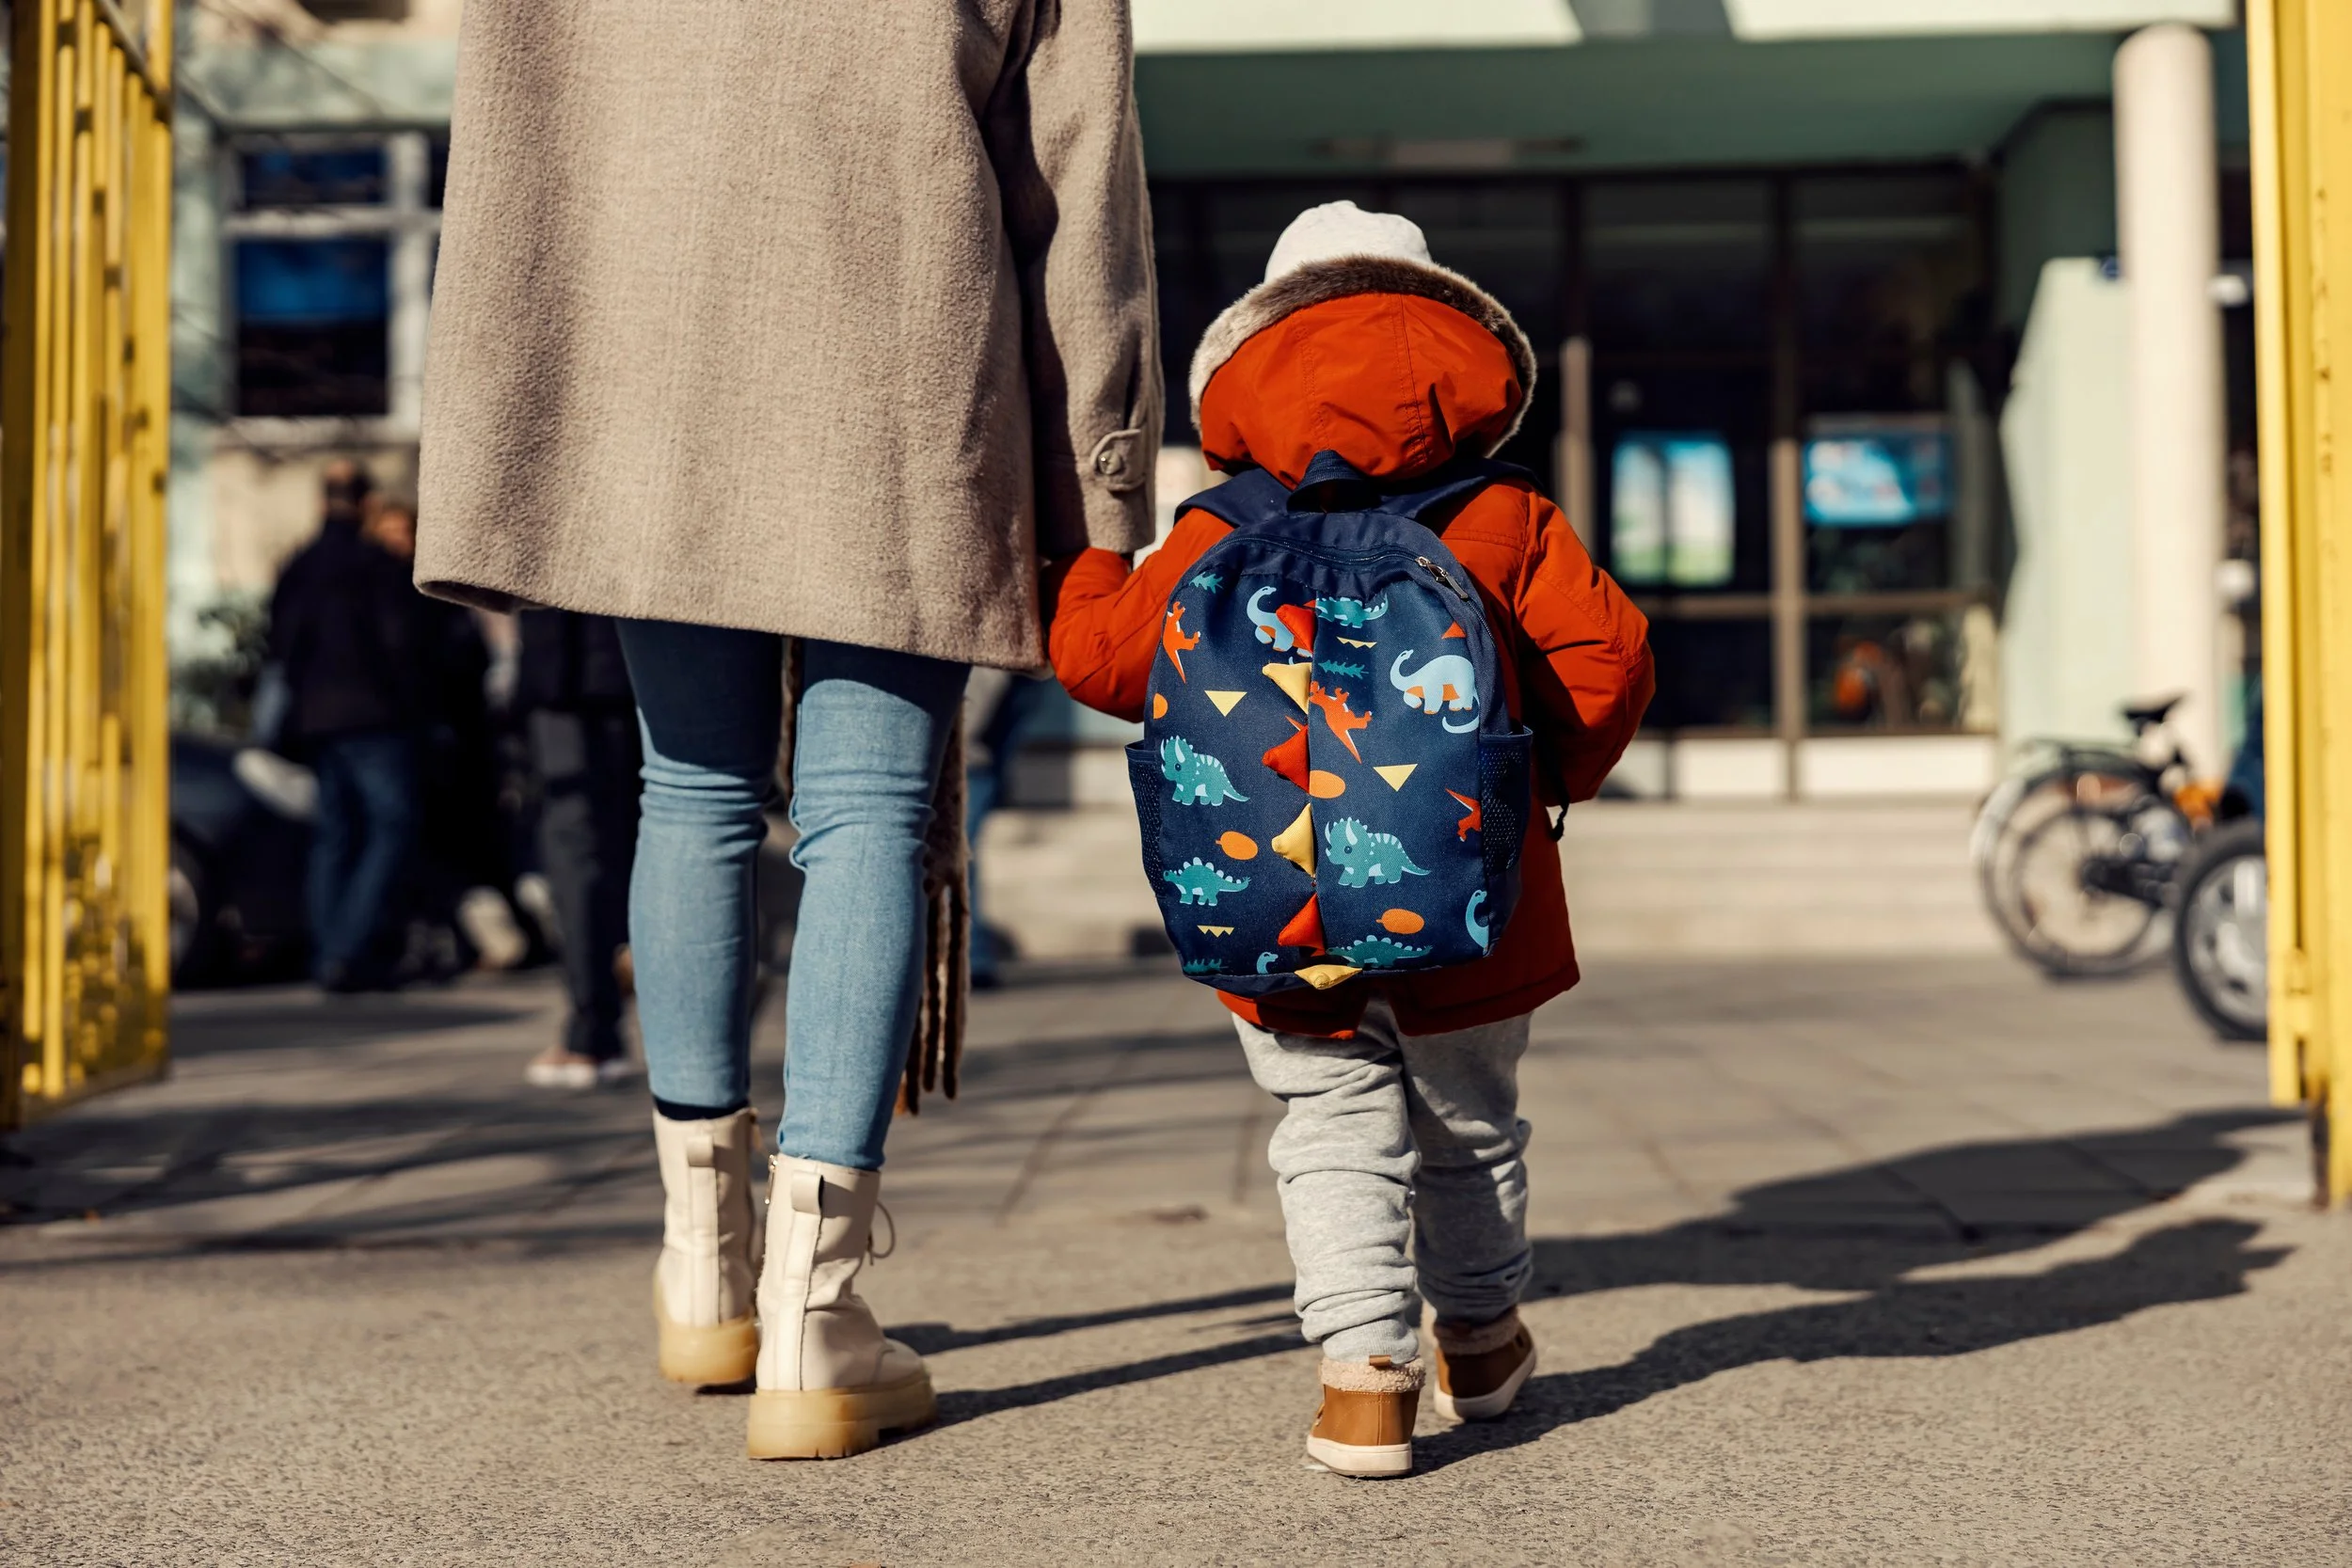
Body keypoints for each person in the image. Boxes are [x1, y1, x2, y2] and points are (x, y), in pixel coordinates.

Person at [412, 5, 1158, 1460]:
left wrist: (515, 408)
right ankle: (815, 1318)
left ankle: (706, 1267)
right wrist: (1105, 477)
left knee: (685, 789)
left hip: (649, 386)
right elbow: (1081, 174)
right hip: (903, 367)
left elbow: (511, 150)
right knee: (868, 814)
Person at [1045, 203, 1654, 1477]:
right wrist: (1550, 781)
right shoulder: (1505, 516)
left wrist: (1095, 567)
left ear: (1252, 364)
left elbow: (1101, 661)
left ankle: (1362, 1383)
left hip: (1275, 901)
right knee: (1472, 1122)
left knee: (1328, 1125)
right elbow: (1608, 666)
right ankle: (1481, 1344)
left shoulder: (1219, 526)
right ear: (1456, 350)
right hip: (1476, 887)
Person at [268, 461, 425, 992]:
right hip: (374, 716)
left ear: (321, 502)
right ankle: (347, 949)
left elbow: (281, 646)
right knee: (391, 827)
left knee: (335, 835)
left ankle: (332, 950)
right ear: (365, 504)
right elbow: (402, 643)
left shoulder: (300, 565)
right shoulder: (373, 565)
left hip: (317, 720)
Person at [515, 610, 644, 1088]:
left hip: (573, 674)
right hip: (652, 657)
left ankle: (592, 1031)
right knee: (665, 826)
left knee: (576, 846)